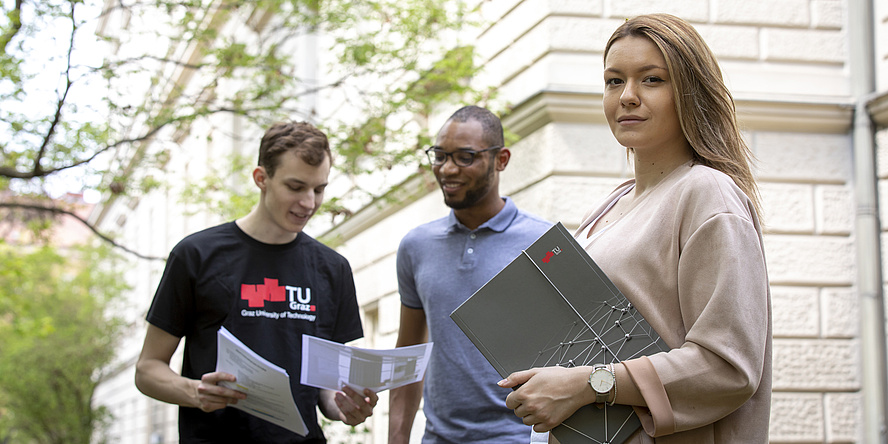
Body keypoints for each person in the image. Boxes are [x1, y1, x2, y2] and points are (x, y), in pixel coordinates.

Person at [498, 14, 772, 443]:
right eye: (613, 81)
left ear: (690, 91)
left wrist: (590, 384)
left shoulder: (707, 194)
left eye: (651, 79)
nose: (627, 96)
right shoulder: (613, 202)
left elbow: (728, 365)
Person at [134, 121, 378, 443]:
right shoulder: (197, 255)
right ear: (261, 179)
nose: (309, 202)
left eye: (319, 189)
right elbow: (147, 369)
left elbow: (324, 390)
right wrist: (195, 391)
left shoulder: (332, 269)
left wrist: (345, 407)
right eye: (295, 187)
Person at [388, 105, 552, 443]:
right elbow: (408, 356)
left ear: (501, 159)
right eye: (440, 155)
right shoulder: (416, 246)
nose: (447, 169)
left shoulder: (544, 243)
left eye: (465, 157)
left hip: (519, 438)